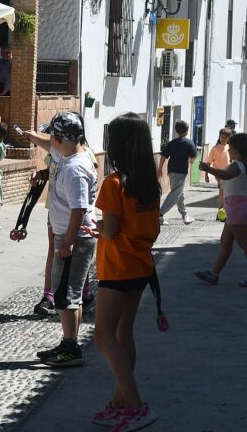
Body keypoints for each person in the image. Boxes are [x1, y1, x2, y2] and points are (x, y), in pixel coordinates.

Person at [91, 112, 160, 430]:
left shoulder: (114, 183)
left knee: (103, 334)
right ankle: (120, 402)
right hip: (141, 267)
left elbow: (109, 230)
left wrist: (99, 225)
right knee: (123, 333)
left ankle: (135, 405)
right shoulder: (150, 183)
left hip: (117, 268)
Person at [35, 111, 97, 367]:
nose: (51, 139)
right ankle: (68, 341)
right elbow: (51, 146)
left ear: (60, 137)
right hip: (72, 236)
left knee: (65, 295)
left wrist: (67, 242)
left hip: (75, 238)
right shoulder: (71, 154)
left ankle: (71, 348)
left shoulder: (75, 169)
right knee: (72, 295)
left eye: (53, 135)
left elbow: (79, 209)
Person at [195, 133, 247, 286]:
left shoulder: (238, 166)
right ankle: (213, 274)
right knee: (225, 242)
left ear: (237, 149)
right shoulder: (238, 164)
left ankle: (214, 274)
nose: (228, 150)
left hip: (238, 209)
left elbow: (226, 175)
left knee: (244, 244)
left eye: (230, 147)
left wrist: (207, 169)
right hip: (234, 208)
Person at [157, 120, 197, 225]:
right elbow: (193, 158)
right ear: (187, 130)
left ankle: (185, 215)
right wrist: (189, 162)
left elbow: (163, 156)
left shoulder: (172, 142)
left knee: (179, 193)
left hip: (171, 171)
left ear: (176, 131)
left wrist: (160, 169)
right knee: (176, 193)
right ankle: (160, 214)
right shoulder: (189, 143)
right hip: (182, 171)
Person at [204, 127, 232, 220]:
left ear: (228, 138)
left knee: (225, 194)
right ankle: (220, 213)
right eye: (222, 137)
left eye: (225, 137)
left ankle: (222, 213)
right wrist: (206, 175)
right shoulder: (215, 148)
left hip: (229, 174)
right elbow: (208, 163)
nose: (223, 139)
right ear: (219, 137)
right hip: (219, 174)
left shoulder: (230, 148)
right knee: (222, 193)